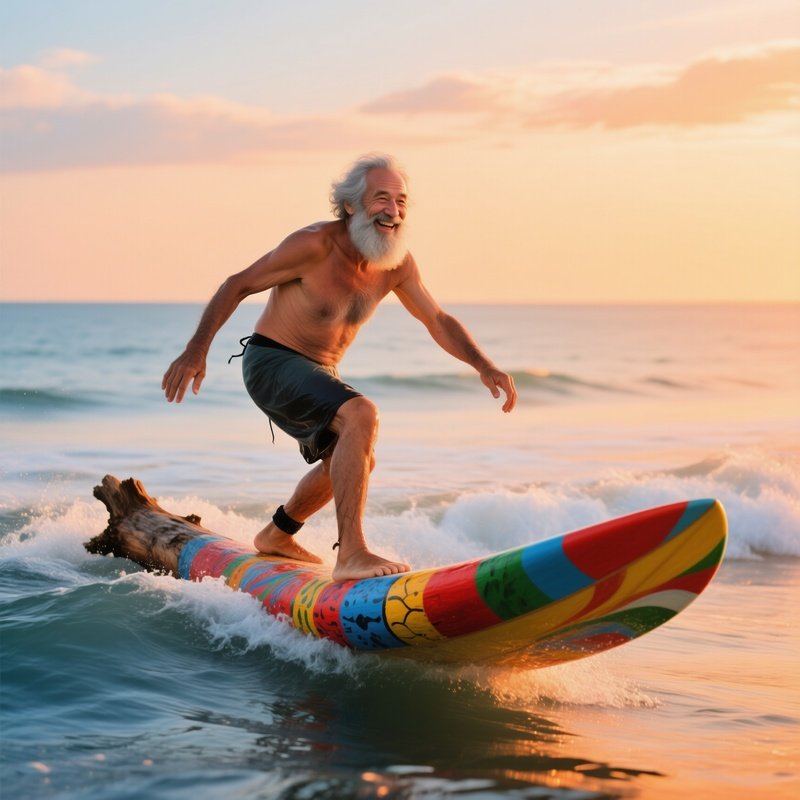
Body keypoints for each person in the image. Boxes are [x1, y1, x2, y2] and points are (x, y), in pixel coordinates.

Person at [162, 154, 517, 581]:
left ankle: (278, 533)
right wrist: (196, 349)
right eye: (381, 198)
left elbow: (437, 319)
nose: (393, 210)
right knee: (361, 413)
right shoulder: (313, 246)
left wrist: (483, 364)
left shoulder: (396, 264)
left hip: (322, 370)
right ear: (350, 205)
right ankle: (352, 552)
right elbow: (236, 284)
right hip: (271, 360)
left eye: (401, 201)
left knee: (357, 461)